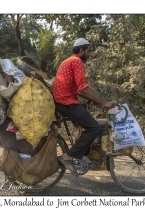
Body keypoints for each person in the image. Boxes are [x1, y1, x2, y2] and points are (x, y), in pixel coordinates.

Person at [52, 38, 115, 177]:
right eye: (89, 51)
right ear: (81, 50)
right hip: (66, 102)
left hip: (62, 101)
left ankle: (82, 157)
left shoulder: (67, 61)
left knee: (86, 126)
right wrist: (104, 102)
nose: (90, 54)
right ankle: (68, 156)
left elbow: (80, 90)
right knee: (94, 127)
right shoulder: (77, 62)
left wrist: (97, 101)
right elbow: (83, 89)